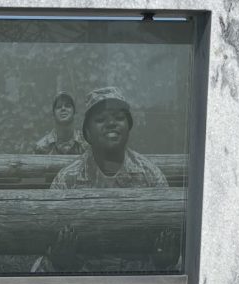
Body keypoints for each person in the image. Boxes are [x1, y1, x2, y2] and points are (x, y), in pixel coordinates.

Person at [34, 87, 171, 273]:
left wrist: (164, 260)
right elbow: (48, 236)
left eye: (119, 118)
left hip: (136, 279)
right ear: (87, 133)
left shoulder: (150, 176)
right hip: (84, 278)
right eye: (100, 120)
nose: (111, 124)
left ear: (128, 127)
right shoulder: (67, 180)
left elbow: (166, 241)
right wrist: (60, 260)